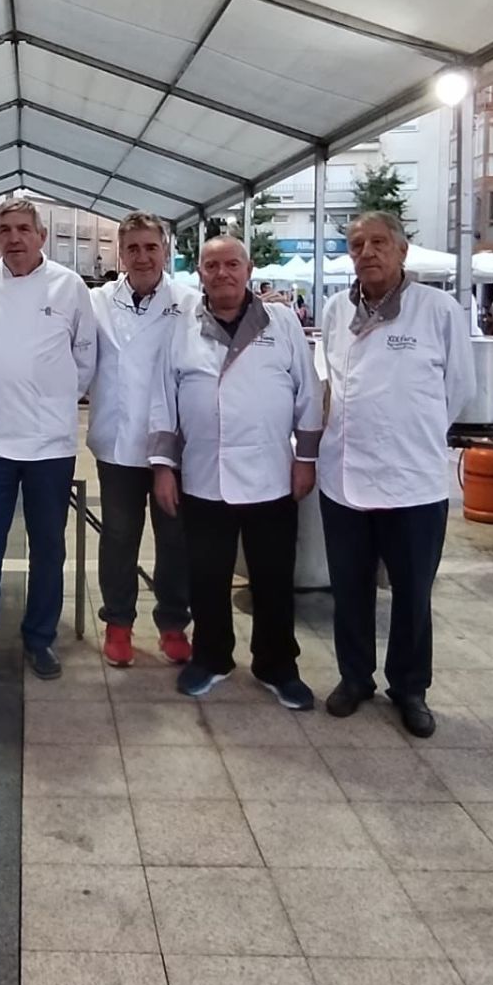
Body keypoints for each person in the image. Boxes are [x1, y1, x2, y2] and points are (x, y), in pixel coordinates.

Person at [317, 212, 474, 739]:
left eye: (378, 243)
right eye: (357, 244)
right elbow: (329, 381)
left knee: (411, 593)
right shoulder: (336, 309)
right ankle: (354, 677)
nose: (367, 252)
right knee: (349, 587)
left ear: (402, 251)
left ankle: (410, 687)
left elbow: (459, 390)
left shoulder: (438, 310)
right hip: (345, 475)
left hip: (413, 480)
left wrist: (411, 431)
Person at [149, 235, 320, 708]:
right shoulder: (181, 326)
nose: (221, 273)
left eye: (231, 264)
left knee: (272, 577)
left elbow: (307, 393)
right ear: (199, 273)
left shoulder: (281, 322)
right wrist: (164, 467)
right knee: (206, 576)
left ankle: (277, 665)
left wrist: (305, 459)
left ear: (248, 269)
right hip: (204, 477)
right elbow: (163, 399)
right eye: (211, 265)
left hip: (271, 475)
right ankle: (212, 657)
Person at [0, 200, 97, 696]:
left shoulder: (70, 287)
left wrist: (53, 401)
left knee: (48, 548)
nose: (13, 238)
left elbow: (85, 357)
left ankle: (40, 638)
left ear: (41, 235)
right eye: (4, 230)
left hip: (50, 444)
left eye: (23, 229)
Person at [87, 211, 196, 668]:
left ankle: (173, 624)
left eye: (151, 247)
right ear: (120, 253)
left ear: (165, 251)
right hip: (116, 442)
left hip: (173, 445)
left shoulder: (189, 302)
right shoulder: (95, 300)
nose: (142, 256)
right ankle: (118, 624)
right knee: (118, 537)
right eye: (133, 248)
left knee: (175, 539)